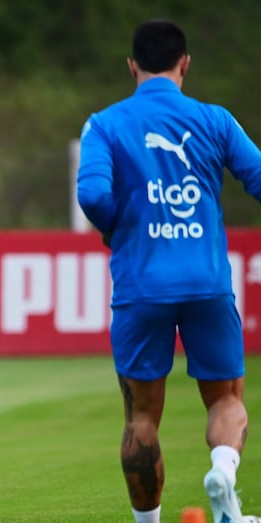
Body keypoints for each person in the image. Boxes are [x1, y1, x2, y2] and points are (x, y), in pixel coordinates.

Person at [77, 19, 261, 523]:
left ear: (131, 66)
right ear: (185, 64)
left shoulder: (105, 124)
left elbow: (91, 194)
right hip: (206, 283)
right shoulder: (215, 119)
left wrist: (120, 224)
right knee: (225, 399)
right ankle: (223, 469)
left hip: (141, 287)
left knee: (141, 416)